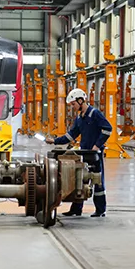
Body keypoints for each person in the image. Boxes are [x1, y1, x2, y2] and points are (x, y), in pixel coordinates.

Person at [46, 88, 112, 217]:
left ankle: (100, 210)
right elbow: (71, 135)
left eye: (73, 104)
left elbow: (107, 129)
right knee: (79, 179)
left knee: (97, 181)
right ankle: (76, 209)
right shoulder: (79, 118)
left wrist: (97, 146)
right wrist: (54, 141)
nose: (73, 107)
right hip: (84, 152)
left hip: (94, 153)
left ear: (80, 100)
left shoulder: (95, 114)